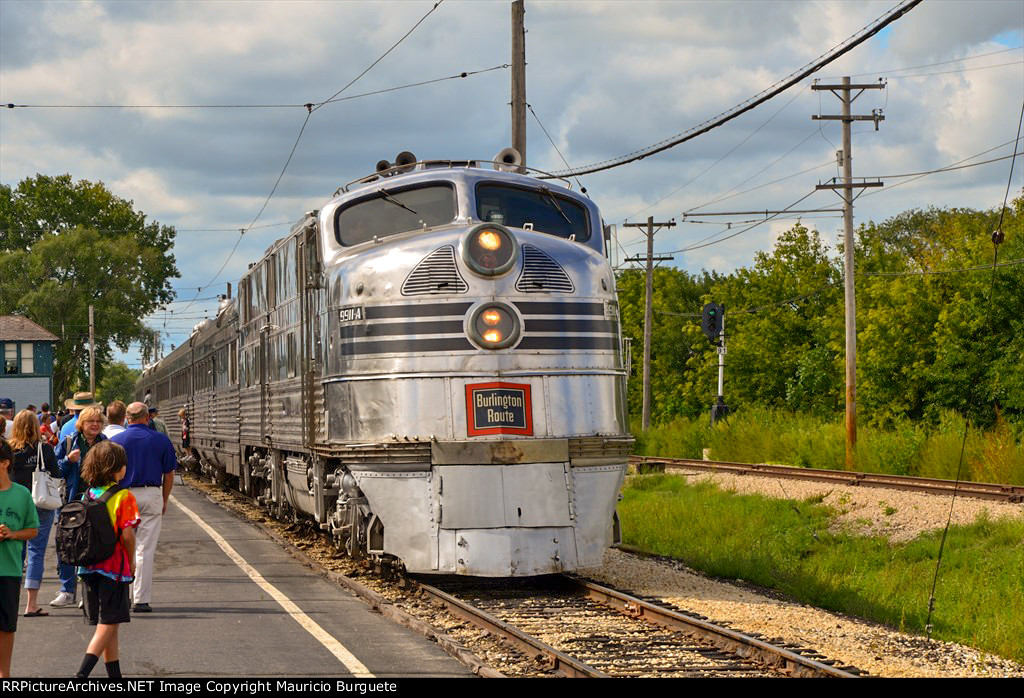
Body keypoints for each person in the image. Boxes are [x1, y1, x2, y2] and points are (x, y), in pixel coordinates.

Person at [74, 441, 139, 679]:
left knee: (110, 623)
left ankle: (116, 677)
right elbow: (128, 535)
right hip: (114, 568)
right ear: (116, 468)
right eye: (123, 465)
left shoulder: (87, 494)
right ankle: (82, 673)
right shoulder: (124, 497)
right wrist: (131, 561)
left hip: (89, 566)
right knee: (109, 623)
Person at [111, 403, 176, 613]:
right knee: (145, 549)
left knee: (121, 546)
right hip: (151, 493)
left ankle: (121, 597)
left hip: (123, 494)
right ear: (148, 417)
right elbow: (169, 474)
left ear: (127, 418)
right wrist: (163, 499)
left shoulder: (116, 441)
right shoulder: (161, 440)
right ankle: (141, 599)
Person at [52, 406, 108, 608]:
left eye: (98, 421)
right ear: (81, 424)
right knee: (67, 544)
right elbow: (55, 470)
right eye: (90, 421)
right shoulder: (68, 442)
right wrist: (68, 460)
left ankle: (88, 591)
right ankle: (67, 591)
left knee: (93, 546)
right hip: (71, 501)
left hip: (97, 501)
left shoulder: (106, 444)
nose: (95, 425)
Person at [7, 411, 60, 617]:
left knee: (14, 551)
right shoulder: (44, 449)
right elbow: (56, 474)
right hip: (40, 503)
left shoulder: (9, 450)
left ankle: (12, 602)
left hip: (15, 503)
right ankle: (31, 604)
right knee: (36, 552)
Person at [0, 438, 40, 678]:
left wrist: (12, 534)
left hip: (10, 570)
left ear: (5, 463)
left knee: (6, 627)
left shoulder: (21, 494)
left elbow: (33, 530)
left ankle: (5, 674)